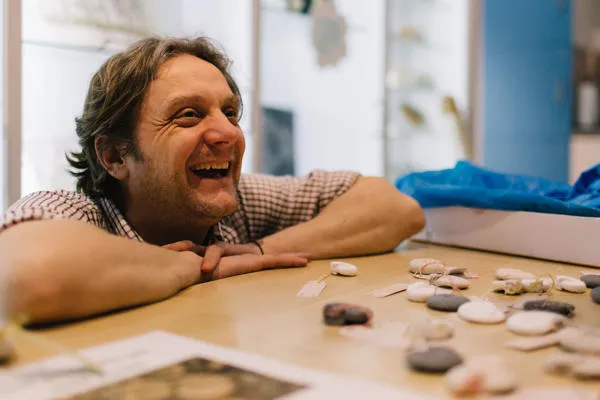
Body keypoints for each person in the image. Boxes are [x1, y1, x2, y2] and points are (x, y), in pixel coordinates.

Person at [0, 37, 425, 325]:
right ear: (114, 156)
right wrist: (189, 268)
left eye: (230, 112)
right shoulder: (75, 212)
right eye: (189, 114)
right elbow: (29, 277)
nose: (228, 134)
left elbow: (395, 208)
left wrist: (261, 250)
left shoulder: (240, 200)